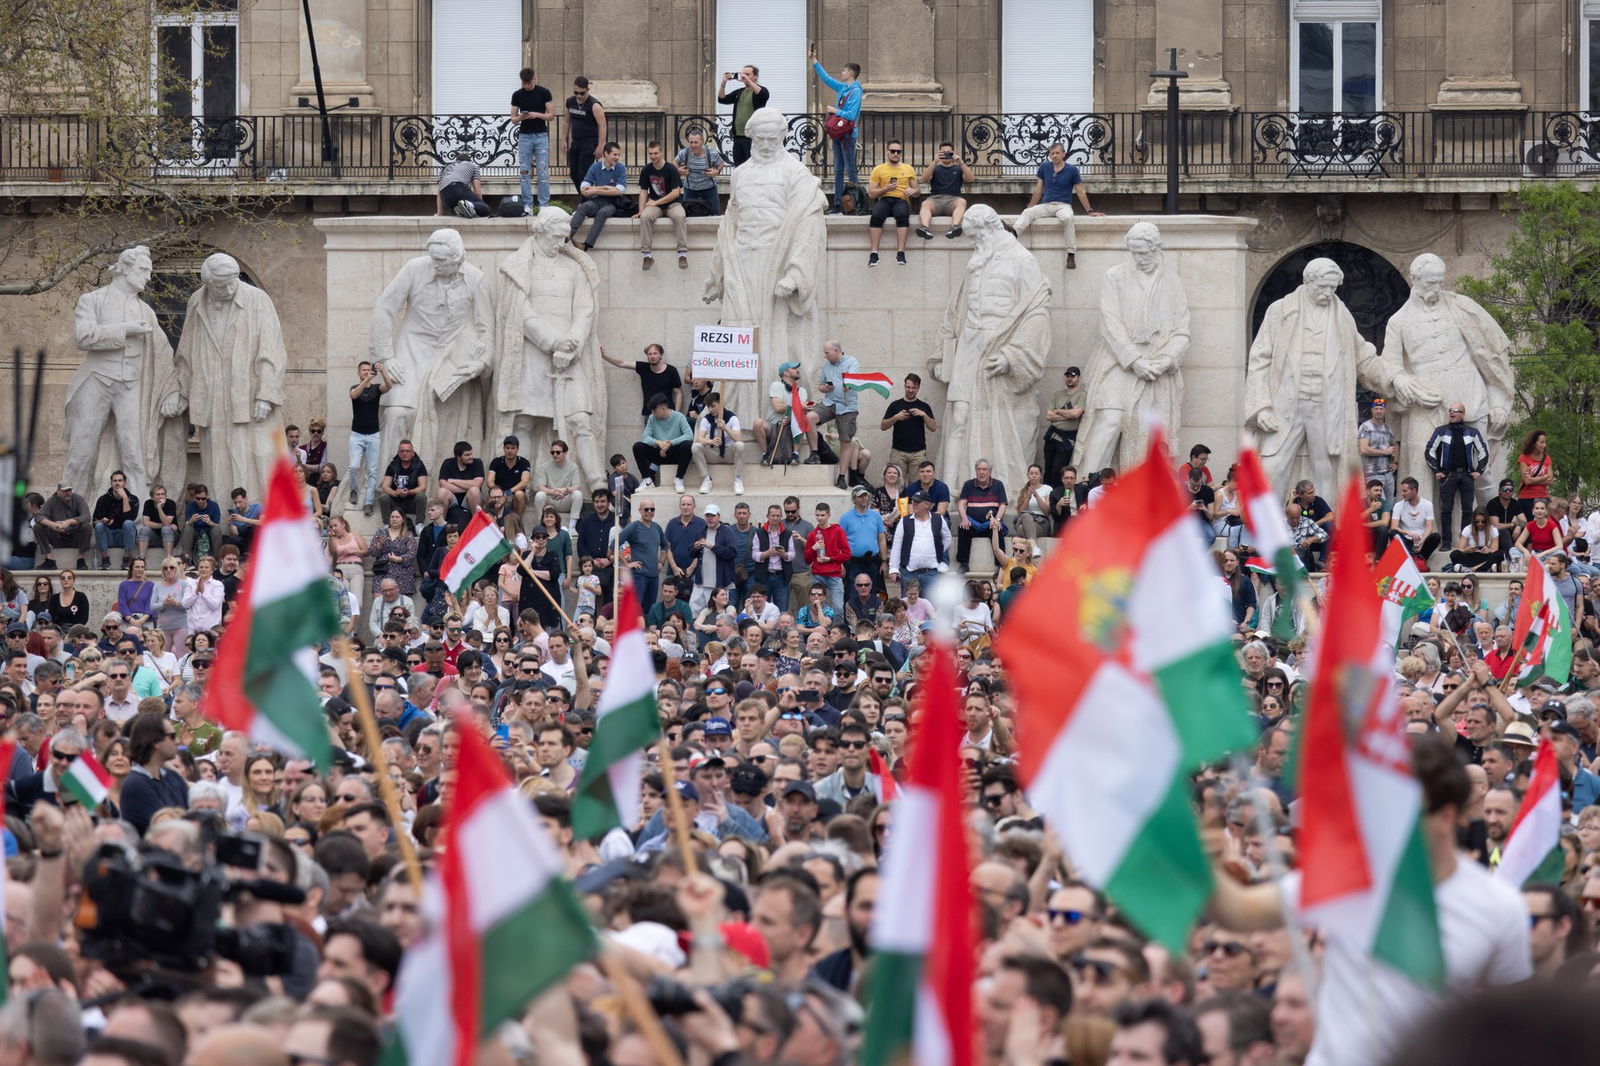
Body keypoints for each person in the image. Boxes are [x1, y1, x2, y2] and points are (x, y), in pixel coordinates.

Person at [1013, 142, 1105, 268]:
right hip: (1046, 205)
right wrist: (1031, 207)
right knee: (1027, 212)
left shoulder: (1072, 170)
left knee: (1067, 218)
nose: (1054, 155)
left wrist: (1090, 211)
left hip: (1063, 205)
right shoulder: (1044, 167)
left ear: (1063, 154)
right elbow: (1038, 190)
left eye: (1057, 153)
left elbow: (1080, 192)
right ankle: (1012, 235)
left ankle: (1071, 254)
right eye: (1052, 153)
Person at [1425, 402, 1490, 549]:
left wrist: (1479, 471)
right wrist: (1437, 470)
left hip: (1466, 475)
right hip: (1448, 475)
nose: (1451, 413)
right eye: (1450, 411)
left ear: (1462, 413)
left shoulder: (1472, 432)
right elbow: (1429, 450)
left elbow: (1483, 452)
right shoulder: (1441, 431)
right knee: (1446, 509)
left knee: (1468, 509)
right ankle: (1446, 542)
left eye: (1455, 411)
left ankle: (1464, 541)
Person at [809, 46, 863, 212]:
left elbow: (851, 115)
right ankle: (839, 204)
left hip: (848, 135)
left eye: (844, 71)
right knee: (838, 168)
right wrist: (814, 61)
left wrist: (834, 111)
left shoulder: (856, 91)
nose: (842, 73)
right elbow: (826, 79)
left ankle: (856, 203)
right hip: (838, 133)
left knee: (850, 169)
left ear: (851, 73)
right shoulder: (843, 88)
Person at [813, 340, 861, 491]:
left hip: (847, 406)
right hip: (830, 402)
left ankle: (841, 477)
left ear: (836, 350)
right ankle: (814, 453)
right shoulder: (826, 365)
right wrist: (825, 388)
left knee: (845, 441)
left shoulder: (852, 362)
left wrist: (848, 385)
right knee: (810, 418)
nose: (825, 356)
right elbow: (820, 386)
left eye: (827, 353)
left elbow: (854, 381)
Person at [510, 66, 555, 212]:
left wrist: (537, 115)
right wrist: (521, 117)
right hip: (524, 136)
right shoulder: (517, 95)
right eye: (524, 83)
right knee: (524, 172)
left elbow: (551, 115)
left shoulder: (544, 92)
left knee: (542, 171)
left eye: (528, 82)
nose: (526, 86)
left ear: (534, 79)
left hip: (541, 135)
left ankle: (543, 204)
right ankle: (527, 204)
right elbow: (513, 119)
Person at [637, 140, 687, 270]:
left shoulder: (671, 169)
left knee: (680, 216)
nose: (653, 156)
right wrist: (641, 210)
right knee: (645, 217)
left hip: (672, 204)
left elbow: (676, 193)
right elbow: (643, 191)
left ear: (661, 152)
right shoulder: (646, 170)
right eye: (650, 154)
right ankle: (647, 256)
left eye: (655, 153)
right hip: (655, 206)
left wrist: (656, 202)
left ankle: (682, 254)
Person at [865, 140, 917, 266]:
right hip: (885, 198)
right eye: (893, 151)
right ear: (887, 151)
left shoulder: (908, 169)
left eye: (898, 151)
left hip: (901, 199)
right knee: (876, 215)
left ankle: (900, 253)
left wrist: (913, 190)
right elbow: (871, 193)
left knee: (902, 215)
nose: (895, 154)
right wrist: (886, 189)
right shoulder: (878, 169)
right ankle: (874, 254)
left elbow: (917, 190)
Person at [568, 141, 627, 251]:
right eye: (615, 154)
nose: (617, 157)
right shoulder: (595, 167)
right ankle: (567, 236)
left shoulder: (621, 168)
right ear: (606, 154)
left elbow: (619, 191)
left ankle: (586, 245)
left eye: (619, 155)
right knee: (583, 207)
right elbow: (585, 185)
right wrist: (587, 189)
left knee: (602, 213)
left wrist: (595, 189)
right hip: (596, 201)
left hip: (612, 203)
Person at [347, 360, 388, 516]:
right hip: (356, 435)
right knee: (354, 466)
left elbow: (389, 386)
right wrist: (366, 380)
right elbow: (354, 395)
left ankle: (369, 502)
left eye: (368, 370)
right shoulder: (354, 388)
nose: (366, 372)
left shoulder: (377, 389)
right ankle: (354, 491)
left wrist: (383, 371)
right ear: (359, 373)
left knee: (372, 471)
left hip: (373, 435)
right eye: (363, 370)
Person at [632, 394, 695, 493]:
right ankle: (647, 480)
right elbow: (645, 437)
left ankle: (679, 479)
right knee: (638, 446)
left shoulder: (679, 417)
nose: (652, 413)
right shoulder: (652, 418)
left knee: (687, 445)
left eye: (655, 410)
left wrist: (670, 443)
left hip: (675, 453)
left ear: (663, 408)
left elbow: (689, 435)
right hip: (659, 453)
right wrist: (658, 443)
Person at [956, 460, 1008, 571]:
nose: (981, 472)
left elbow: (1002, 505)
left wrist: (997, 519)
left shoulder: (998, 485)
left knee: (997, 528)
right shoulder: (968, 485)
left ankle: (1001, 565)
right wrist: (964, 519)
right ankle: (964, 563)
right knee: (963, 527)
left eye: (984, 469)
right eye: (979, 469)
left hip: (990, 523)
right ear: (976, 471)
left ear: (990, 472)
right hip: (973, 523)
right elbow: (961, 504)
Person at [691, 391, 746, 496]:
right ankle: (706, 479)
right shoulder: (706, 419)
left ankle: (738, 479)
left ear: (721, 404)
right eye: (708, 407)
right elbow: (699, 439)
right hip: (713, 452)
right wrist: (710, 441)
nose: (711, 409)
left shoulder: (732, 418)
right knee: (696, 447)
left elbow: (738, 438)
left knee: (740, 445)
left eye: (713, 406)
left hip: (729, 452)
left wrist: (725, 428)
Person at [917, 140, 972, 240]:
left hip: (953, 200)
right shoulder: (935, 168)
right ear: (939, 153)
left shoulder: (958, 168)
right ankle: (925, 227)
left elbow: (970, 178)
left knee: (962, 202)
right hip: (935, 200)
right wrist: (934, 162)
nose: (946, 155)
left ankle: (954, 227)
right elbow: (924, 179)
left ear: (953, 153)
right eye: (943, 152)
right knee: (925, 204)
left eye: (949, 152)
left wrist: (960, 162)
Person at [561, 76, 606, 195]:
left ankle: (585, 202)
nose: (579, 96)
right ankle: (586, 198)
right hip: (576, 142)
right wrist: (563, 140)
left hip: (589, 143)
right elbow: (566, 121)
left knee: (584, 174)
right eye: (576, 93)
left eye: (582, 93)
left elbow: (602, 126)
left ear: (587, 90)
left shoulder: (594, 105)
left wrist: (601, 146)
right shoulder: (570, 102)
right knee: (574, 174)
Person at [717, 65, 770, 165]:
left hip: (753, 137)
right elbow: (722, 99)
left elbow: (763, 95)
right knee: (739, 166)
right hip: (738, 136)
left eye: (748, 74)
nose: (744, 76)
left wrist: (748, 81)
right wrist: (723, 83)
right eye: (743, 74)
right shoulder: (740, 92)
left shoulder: (762, 90)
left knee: (754, 166)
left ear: (755, 76)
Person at [36, 483, 92, 569]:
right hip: (57, 536)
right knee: (38, 527)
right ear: (58, 491)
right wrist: (53, 525)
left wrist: (69, 522)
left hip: (75, 538)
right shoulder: (52, 501)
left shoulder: (78, 499)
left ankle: (81, 559)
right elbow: (39, 516)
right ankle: (49, 560)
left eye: (69, 490)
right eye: (64, 491)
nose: (68, 493)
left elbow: (86, 516)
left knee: (86, 526)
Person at [92, 472, 139, 571]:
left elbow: (130, 518)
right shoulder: (103, 499)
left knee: (129, 523)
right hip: (108, 537)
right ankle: (105, 559)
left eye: (120, 480)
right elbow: (94, 522)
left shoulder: (133, 499)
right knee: (99, 526)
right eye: (115, 481)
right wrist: (103, 521)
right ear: (111, 483)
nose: (117, 483)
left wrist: (125, 498)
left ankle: (127, 558)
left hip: (124, 536)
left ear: (125, 483)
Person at [674, 126, 725, 216]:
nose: (693, 145)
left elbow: (721, 164)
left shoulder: (712, 153)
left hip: (709, 189)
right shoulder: (684, 153)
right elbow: (675, 161)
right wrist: (678, 170)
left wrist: (716, 171)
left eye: (696, 142)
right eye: (691, 142)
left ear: (702, 142)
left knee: (715, 215)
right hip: (690, 189)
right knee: (687, 216)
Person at [1357, 397, 1399, 500]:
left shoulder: (1387, 428)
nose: (1379, 411)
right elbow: (1363, 449)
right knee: (1378, 504)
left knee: (1388, 505)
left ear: (1385, 411)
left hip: (1388, 474)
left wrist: (1396, 462)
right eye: (1376, 409)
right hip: (1373, 474)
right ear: (1372, 410)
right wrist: (1384, 452)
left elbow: (1396, 444)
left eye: (1381, 409)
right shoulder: (1365, 427)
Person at [378, 440, 429, 525]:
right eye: (402, 451)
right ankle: (387, 524)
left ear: (413, 453)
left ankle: (419, 524)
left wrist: (409, 492)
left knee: (421, 496)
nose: (404, 453)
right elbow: (385, 486)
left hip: (412, 501)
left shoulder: (419, 465)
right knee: (383, 497)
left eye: (407, 451)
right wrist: (395, 493)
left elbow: (423, 487)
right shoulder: (392, 465)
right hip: (396, 502)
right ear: (398, 453)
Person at [436, 153, 489, 219]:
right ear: (469, 161)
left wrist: (439, 213)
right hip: (458, 187)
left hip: (445, 196)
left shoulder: (447, 167)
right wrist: (479, 204)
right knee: (485, 209)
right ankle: (468, 205)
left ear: (456, 160)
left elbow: (440, 189)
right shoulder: (473, 166)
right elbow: (477, 192)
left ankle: (462, 208)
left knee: (463, 206)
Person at [1518, 428, 1556, 519]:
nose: (1544, 445)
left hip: (1543, 496)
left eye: (1545, 442)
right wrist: (1544, 477)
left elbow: (1550, 481)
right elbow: (1527, 481)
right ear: (1533, 443)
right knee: (1530, 525)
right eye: (1542, 442)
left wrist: (1533, 480)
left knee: (1544, 525)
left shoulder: (1547, 458)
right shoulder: (1523, 458)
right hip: (1526, 497)